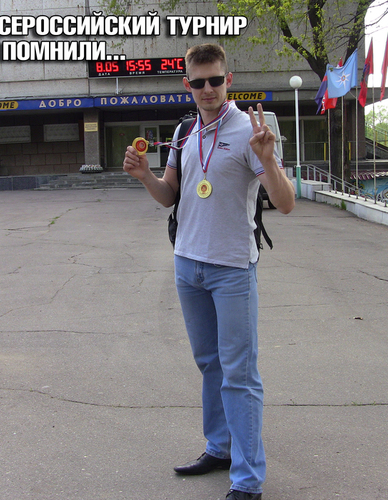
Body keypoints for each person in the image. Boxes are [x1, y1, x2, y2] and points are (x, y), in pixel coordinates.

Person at [123, 43, 295, 500]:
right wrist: (145, 176)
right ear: (187, 84)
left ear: (228, 80)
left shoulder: (250, 132)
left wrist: (269, 159)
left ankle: (248, 480)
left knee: (240, 374)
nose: (207, 89)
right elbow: (170, 195)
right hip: (187, 265)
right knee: (210, 365)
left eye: (215, 80)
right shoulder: (183, 131)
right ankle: (219, 448)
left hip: (232, 269)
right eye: (198, 82)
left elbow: (286, 203)